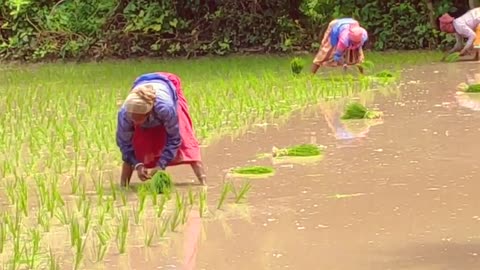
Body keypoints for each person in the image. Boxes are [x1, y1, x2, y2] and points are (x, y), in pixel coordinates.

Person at [116, 72, 207, 187]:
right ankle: (123, 186)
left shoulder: (165, 109)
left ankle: (204, 184)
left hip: (166, 86)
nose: (134, 122)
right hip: (143, 85)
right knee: (137, 143)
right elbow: (124, 143)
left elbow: (174, 138)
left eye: (138, 119)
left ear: (149, 113)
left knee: (185, 140)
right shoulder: (125, 114)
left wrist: (161, 164)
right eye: (132, 118)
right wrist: (138, 164)